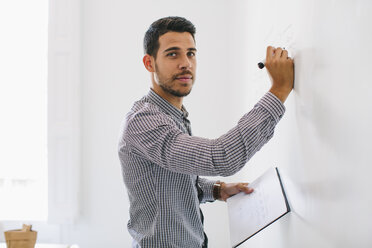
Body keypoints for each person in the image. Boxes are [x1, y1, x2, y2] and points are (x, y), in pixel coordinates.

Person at [118, 16, 294, 248]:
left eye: (191, 53)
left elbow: (169, 181)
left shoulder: (172, 115)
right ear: (149, 63)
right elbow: (220, 156)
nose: (186, 63)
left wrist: (218, 189)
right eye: (173, 54)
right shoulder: (145, 122)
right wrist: (279, 90)